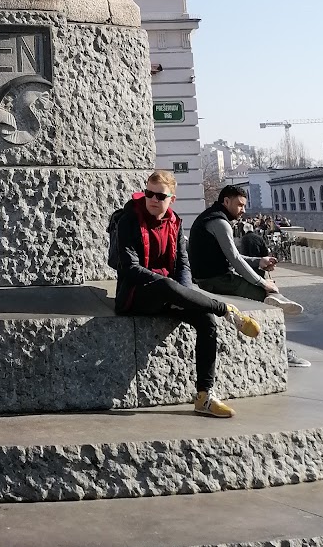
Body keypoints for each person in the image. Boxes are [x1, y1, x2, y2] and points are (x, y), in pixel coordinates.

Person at [112, 173, 262, 419]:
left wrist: (184, 294)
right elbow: (130, 268)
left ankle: (204, 395)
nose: (152, 199)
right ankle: (227, 310)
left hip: (170, 293)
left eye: (159, 196)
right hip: (136, 295)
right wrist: (173, 288)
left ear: (171, 199)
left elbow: (183, 264)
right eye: (149, 193)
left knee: (206, 320)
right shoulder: (129, 220)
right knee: (167, 285)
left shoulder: (175, 222)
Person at [189, 186, 311, 369]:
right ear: (226, 201)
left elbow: (229, 256)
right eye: (240, 205)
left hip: (210, 277)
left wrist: (258, 261)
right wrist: (262, 282)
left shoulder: (210, 217)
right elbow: (235, 259)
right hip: (216, 280)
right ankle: (282, 349)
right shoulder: (219, 223)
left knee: (268, 295)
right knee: (266, 299)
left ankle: (279, 300)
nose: (243, 210)